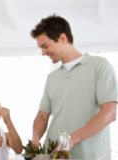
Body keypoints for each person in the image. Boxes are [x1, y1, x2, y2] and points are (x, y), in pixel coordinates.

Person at [30, 14, 117, 159]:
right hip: (53, 156)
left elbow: (110, 112)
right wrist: (35, 138)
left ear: (62, 38)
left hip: (90, 155)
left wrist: (72, 140)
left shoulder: (99, 66)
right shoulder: (52, 78)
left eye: (45, 46)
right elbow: (42, 115)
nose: (43, 53)